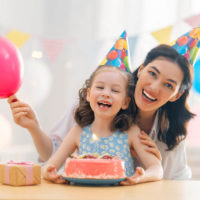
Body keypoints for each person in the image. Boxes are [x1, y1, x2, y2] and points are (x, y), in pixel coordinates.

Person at [8, 27, 199, 180]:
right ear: (141, 69)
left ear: (176, 95)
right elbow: (52, 156)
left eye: (168, 85)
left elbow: (174, 182)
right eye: (152, 73)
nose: (155, 87)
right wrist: (34, 128)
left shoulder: (171, 131)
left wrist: (150, 168)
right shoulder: (92, 107)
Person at [42, 64, 163, 185]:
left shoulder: (131, 132)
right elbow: (49, 167)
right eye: (100, 87)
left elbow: (157, 169)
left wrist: (141, 177)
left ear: (125, 102)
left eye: (115, 90)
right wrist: (49, 173)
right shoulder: (77, 132)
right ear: (89, 94)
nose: (106, 93)